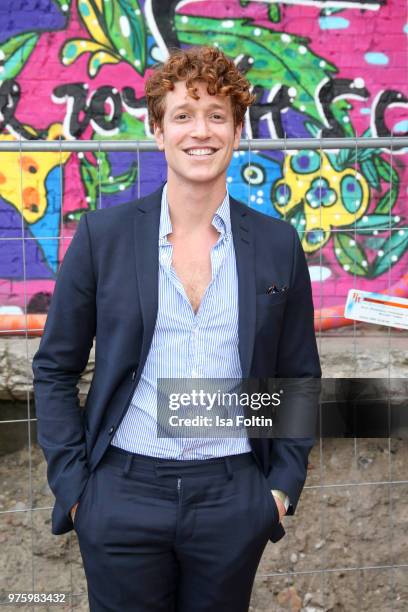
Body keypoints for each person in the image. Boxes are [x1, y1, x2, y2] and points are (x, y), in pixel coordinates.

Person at [32, 46, 321, 612]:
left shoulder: (276, 243)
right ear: (159, 130)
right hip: (121, 491)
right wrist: (76, 490)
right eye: (183, 115)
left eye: (217, 115)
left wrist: (279, 489)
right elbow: (55, 367)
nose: (201, 131)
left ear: (238, 130)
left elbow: (299, 375)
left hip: (232, 494)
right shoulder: (102, 237)